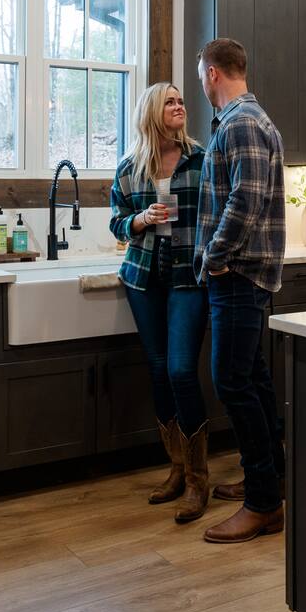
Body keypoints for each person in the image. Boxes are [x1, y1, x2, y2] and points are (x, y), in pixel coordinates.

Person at [194, 38, 286, 543]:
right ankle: (269, 479)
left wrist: (215, 256)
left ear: (213, 73)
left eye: (201, 78)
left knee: (231, 381)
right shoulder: (245, 120)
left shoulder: (241, 122)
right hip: (244, 272)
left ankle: (264, 505)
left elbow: (245, 199)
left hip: (238, 273)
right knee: (252, 376)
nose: (202, 87)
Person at [110, 82, 209, 523]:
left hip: (189, 274)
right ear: (152, 112)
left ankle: (198, 480)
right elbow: (116, 222)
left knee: (181, 370)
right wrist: (140, 218)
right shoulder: (129, 167)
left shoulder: (201, 159)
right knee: (158, 370)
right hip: (144, 277)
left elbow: (216, 213)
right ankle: (176, 469)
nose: (179, 106)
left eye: (181, 100)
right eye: (170, 102)